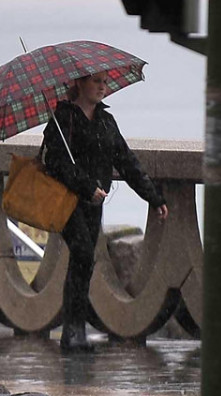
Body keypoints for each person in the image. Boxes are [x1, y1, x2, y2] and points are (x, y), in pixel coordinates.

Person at [42, 71, 168, 351]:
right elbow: (56, 163)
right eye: (96, 81)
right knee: (83, 253)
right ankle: (73, 330)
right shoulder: (63, 119)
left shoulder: (106, 121)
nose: (102, 87)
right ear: (79, 83)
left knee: (84, 261)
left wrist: (153, 198)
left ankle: (75, 330)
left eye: (104, 82)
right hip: (67, 201)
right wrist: (86, 186)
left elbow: (126, 161)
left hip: (93, 203)